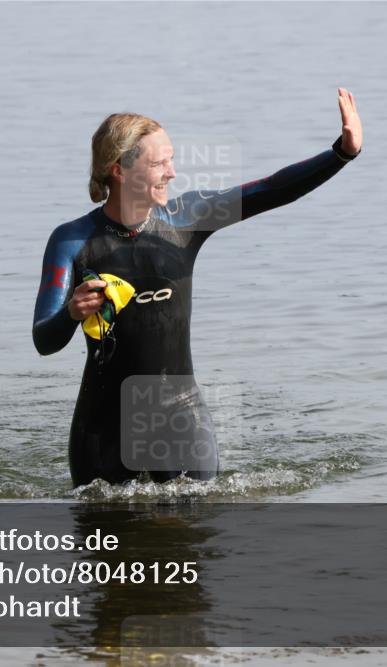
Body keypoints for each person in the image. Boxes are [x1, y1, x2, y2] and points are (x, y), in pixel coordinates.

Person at [33, 88, 363, 488]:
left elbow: (269, 190)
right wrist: (71, 313)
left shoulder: (186, 219)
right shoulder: (72, 241)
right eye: (160, 164)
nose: (172, 173)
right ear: (119, 169)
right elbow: (44, 340)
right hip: (103, 427)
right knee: (106, 540)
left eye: (171, 161)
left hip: (181, 414)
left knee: (194, 532)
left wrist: (341, 153)